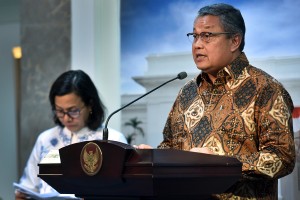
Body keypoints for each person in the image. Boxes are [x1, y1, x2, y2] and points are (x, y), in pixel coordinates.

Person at [136, 3, 295, 199]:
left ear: (234, 41)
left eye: (207, 36)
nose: (197, 44)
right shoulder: (187, 92)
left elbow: (282, 157)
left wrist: (221, 163)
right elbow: (171, 146)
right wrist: (153, 156)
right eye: (194, 36)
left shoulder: (265, 88)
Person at [15, 70, 127, 199]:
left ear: (90, 105)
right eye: (60, 111)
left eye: (73, 111)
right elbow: (28, 186)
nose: (66, 118)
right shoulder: (45, 139)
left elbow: (123, 192)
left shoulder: (113, 140)